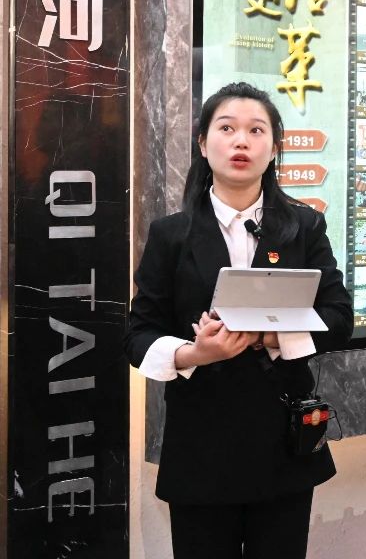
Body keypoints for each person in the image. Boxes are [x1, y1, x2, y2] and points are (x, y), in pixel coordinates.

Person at [124, 82, 353, 559]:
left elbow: (339, 317)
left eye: (256, 130)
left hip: (283, 443)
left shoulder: (304, 227)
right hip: (201, 447)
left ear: (275, 147)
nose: (241, 141)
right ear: (203, 144)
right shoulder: (171, 235)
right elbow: (138, 334)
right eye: (226, 129)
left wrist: (272, 335)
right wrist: (193, 353)